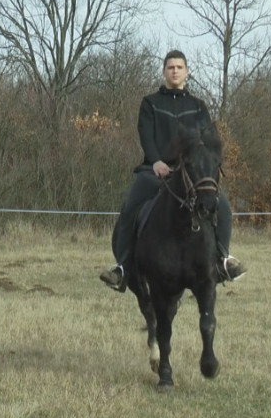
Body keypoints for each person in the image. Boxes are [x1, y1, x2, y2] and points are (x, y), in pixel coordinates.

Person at [99, 49, 245, 292]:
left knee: (223, 206)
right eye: (170, 67)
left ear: (186, 72)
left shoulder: (198, 106)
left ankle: (223, 261)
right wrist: (156, 161)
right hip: (155, 172)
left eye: (179, 67)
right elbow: (146, 136)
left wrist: (204, 164)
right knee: (130, 206)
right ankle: (122, 268)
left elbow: (207, 141)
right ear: (164, 72)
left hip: (190, 175)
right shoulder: (150, 103)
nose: (175, 71)